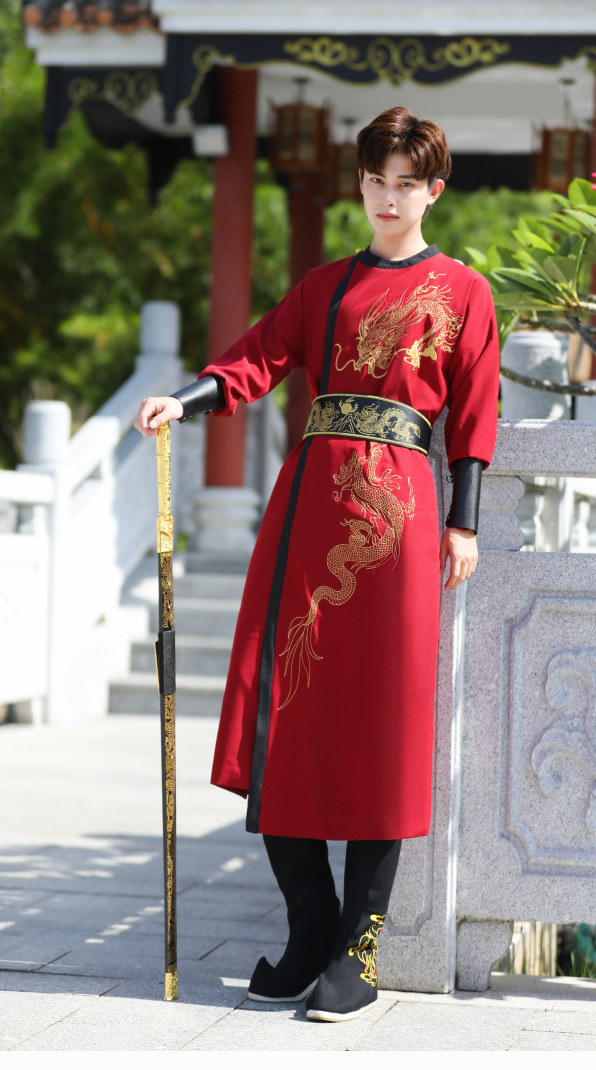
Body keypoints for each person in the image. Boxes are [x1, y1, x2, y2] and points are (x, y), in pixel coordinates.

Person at [134, 106, 499, 1022]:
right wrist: (183, 399)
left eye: (405, 183)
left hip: (401, 521)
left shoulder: (464, 290)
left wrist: (464, 523)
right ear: (361, 184)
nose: (388, 198)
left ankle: (357, 951)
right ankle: (310, 930)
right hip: (307, 512)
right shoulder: (325, 287)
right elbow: (255, 360)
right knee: (279, 708)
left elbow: (474, 411)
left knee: (383, 727)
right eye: (375, 181)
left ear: (433, 190)